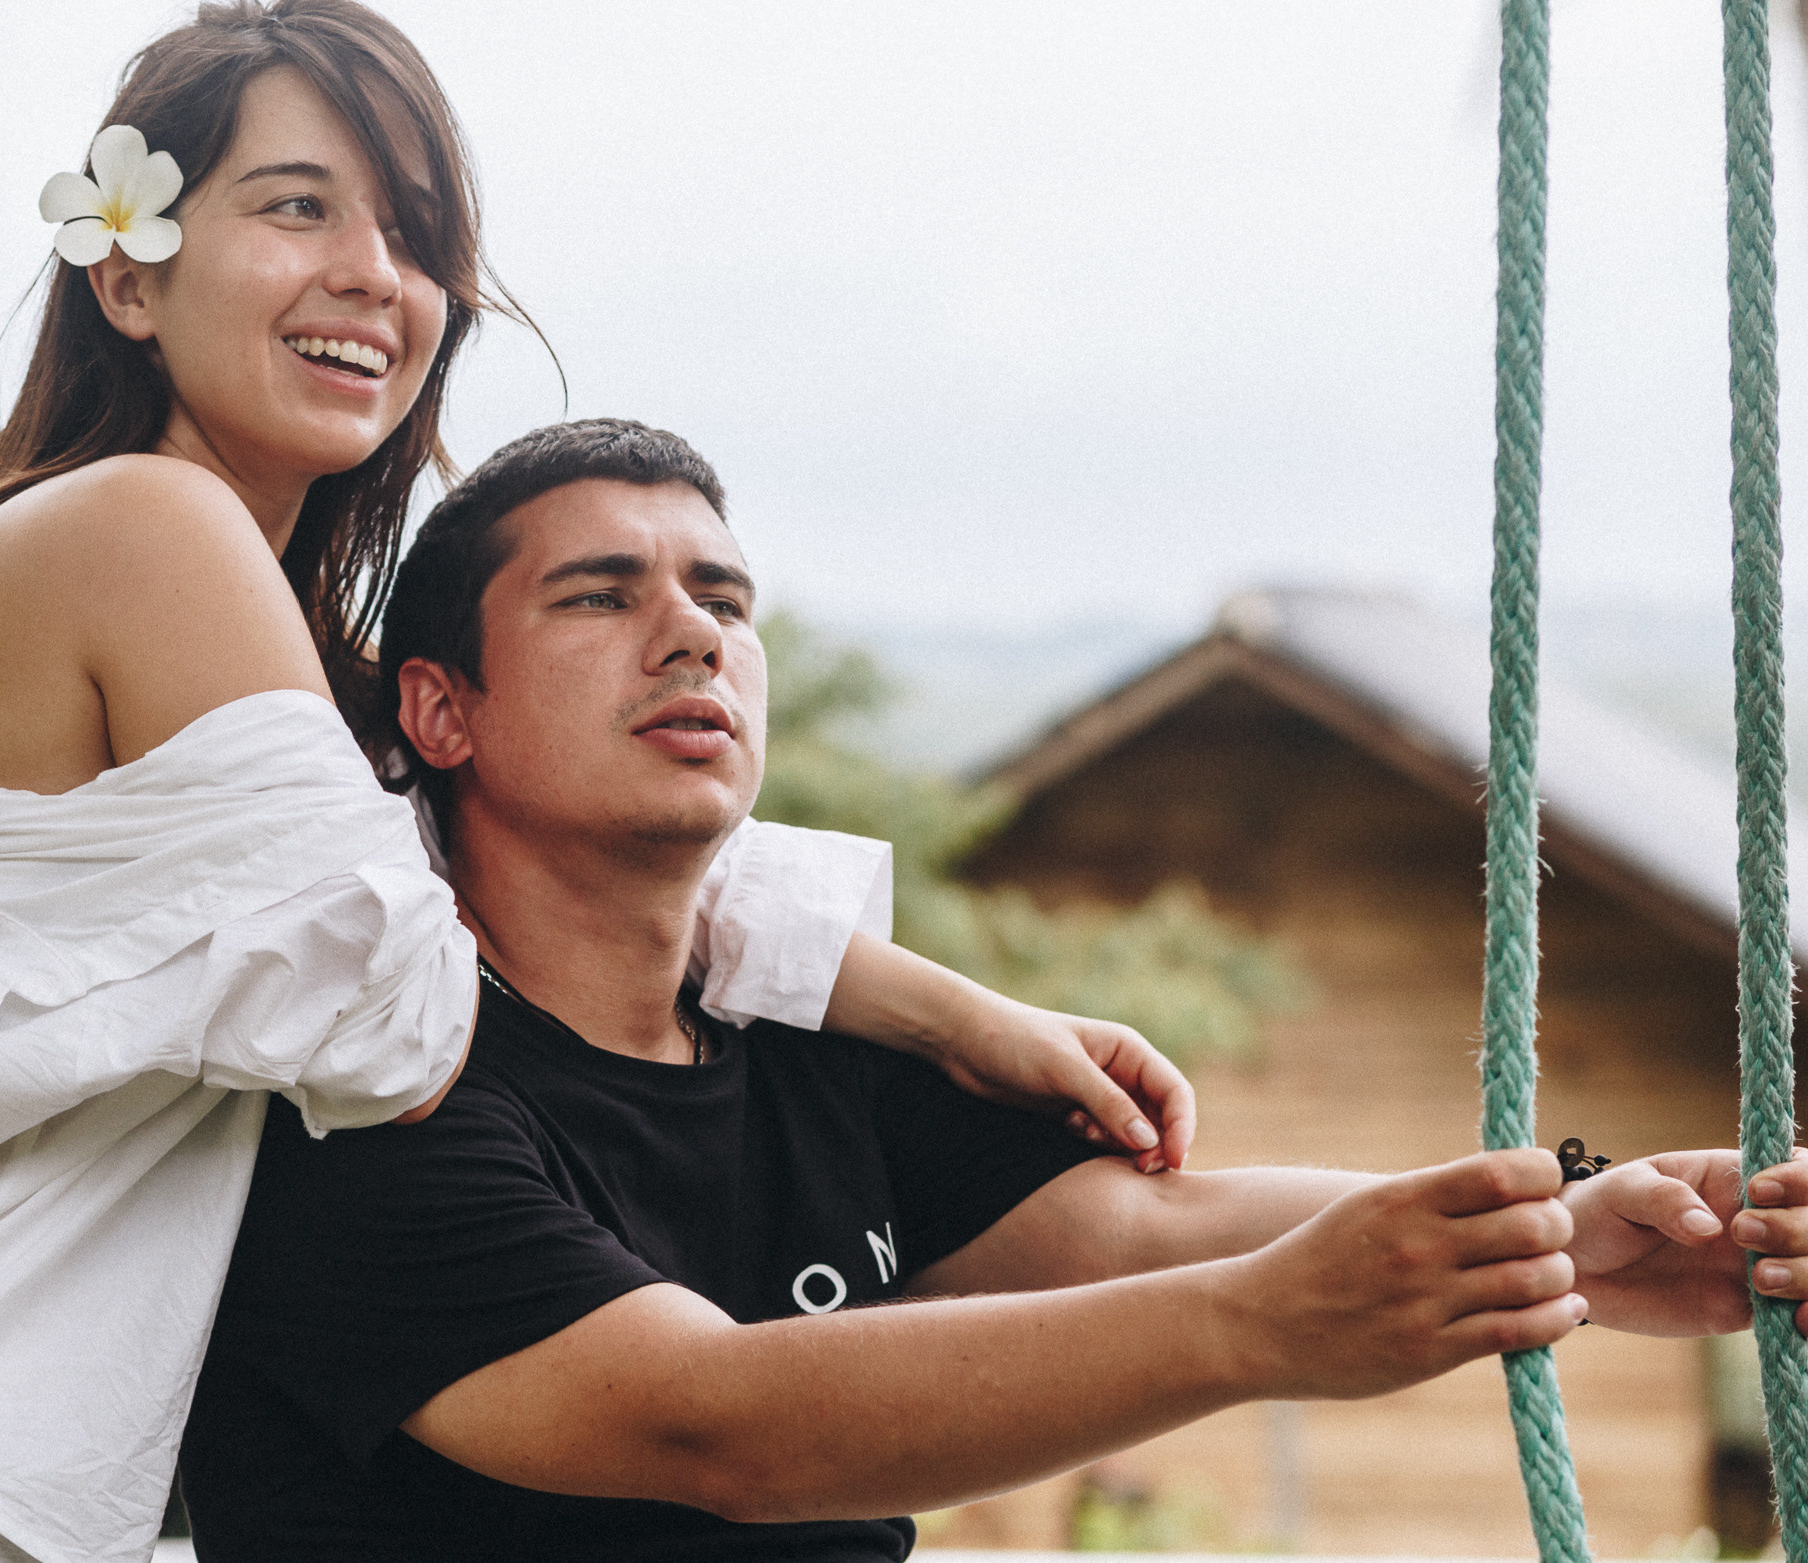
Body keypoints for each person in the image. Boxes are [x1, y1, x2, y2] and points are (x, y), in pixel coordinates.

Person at [0, 0, 1199, 1563]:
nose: (372, 277)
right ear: (129, 281)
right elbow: (400, 1008)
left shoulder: (264, 655)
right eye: (299, 208)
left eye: (413, 234)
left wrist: (941, 1010)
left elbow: (526, 864)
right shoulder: (140, 524)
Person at [179, 418, 1808, 1562]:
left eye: (723, 599)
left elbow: (1143, 1231)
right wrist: (1262, 1326)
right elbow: (713, 1426)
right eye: (602, 595)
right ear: (441, 712)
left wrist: (1571, 1230)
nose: (692, 638)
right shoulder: (376, 1087)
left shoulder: (810, 1040)